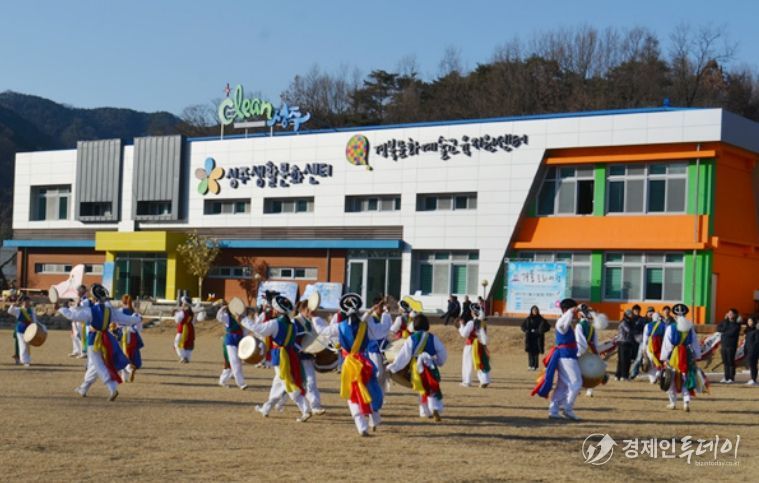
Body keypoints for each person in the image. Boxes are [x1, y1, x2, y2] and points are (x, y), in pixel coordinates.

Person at [57, 284, 142, 401]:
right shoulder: (110, 311)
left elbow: (72, 315)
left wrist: (60, 308)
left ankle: (112, 387)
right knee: (94, 366)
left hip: (94, 340)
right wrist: (137, 319)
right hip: (107, 339)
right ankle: (83, 388)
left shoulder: (90, 311)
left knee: (98, 365)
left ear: (94, 297)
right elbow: (125, 319)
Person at [320, 293, 389, 436]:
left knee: (353, 393)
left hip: (349, 364)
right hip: (364, 362)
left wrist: (315, 319)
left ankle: (362, 426)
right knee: (370, 388)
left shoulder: (339, 327)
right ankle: (374, 416)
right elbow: (382, 331)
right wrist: (386, 315)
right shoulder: (366, 326)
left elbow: (323, 332)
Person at [243, 295, 311, 422]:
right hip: (290, 355)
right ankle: (266, 409)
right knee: (277, 385)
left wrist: (244, 319)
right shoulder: (292, 324)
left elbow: (259, 330)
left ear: (276, 310)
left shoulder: (275, 323)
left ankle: (305, 409)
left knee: (288, 383)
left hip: (280, 357)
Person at [386, 313, 448, 421]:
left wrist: (394, 367)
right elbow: (442, 352)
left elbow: (404, 355)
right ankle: (435, 408)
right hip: (430, 364)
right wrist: (438, 361)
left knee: (421, 387)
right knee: (432, 385)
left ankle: (425, 411)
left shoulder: (412, 338)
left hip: (417, 365)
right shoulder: (433, 337)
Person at [531, 298, 583, 421]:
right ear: (567, 310)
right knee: (576, 383)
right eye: (573, 310)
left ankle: (554, 410)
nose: (575, 313)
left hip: (566, 355)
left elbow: (568, 318)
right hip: (566, 356)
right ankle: (567, 409)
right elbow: (566, 318)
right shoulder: (561, 322)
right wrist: (573, 310)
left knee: (562, 385)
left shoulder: (565, 322)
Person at [660, 304, 705, 411]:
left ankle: (673, 403)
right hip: (686, 355)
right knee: (686, 378)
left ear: (675, 316)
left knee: (671, 378)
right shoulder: (690, 328)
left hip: (673, 356)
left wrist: (664, 358)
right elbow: (695, 343)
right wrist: (696, 356)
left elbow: (667, 344)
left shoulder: (671, 327)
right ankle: (686, 402)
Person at [290, 300, 326, 415]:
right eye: (311, 309)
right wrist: (301, 348)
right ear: (304, 309)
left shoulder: (310, 321)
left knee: (310, 382)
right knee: (289, 385)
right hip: (297, 356)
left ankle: (315, 406)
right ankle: (271, 405)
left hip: (307, 356)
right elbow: (291, 340)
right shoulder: (295, 321)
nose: (313, 312)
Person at [362, 297, 392, 394]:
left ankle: (380, 395)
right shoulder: (370, 318)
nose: (383, 308)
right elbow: (362, 319)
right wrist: (370, 310)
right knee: (378, 372)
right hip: (373, 348)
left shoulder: (384, 317)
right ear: (375, 307)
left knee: (384, 374)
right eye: (381, 306)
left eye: (383, 306)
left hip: (384, 348)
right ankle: (370, 391)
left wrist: (387, 312)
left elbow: (389, 328)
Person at [216, 301, 248, 390]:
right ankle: (241, 383)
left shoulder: (242, 319)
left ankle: (222, 380)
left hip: (239, 342)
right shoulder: (228, 317)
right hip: (230, 341)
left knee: (232, 363)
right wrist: (223, 308)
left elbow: (245, 332)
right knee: (235, 363)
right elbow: (219, 317)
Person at [458, 303, 491, 388]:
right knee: (481, 362)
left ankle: (467, 381)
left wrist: (461, 325)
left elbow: (464, 334)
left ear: (474, 312)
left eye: (471, 311)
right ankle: (484, 380)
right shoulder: (483, 322)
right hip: (480, 344)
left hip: (471, 344)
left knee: (467, 363)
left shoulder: (471, 322)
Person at [575, 305, 600, 397]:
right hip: (591, 350)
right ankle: (590, 390)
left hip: (582, 350)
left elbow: (579, 340)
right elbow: (595, 341)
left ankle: (577, 389)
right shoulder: (592, 327)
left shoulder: (579, 326)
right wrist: (596, 351)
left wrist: (580, 352)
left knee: (577, 370)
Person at [8, 295, 39, 367]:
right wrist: (13, 305)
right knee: (23, 345)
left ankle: (27, 360)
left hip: (29, 331)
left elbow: (34, 320)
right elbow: (10, 311)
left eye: (28, 301)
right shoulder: (19, 310)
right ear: (22, 302)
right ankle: (25, 361)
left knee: (27, 346)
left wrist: (35, 327)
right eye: (26, 301)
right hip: (20, 330)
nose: (27, 303)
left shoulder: (32, 310)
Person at [118, 295, 143, 383]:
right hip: (134, 336)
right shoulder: (134, 312)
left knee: (122, 354)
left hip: (124, 335)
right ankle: (124, 377)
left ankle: (129, 369)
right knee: (130, 354)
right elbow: (139, 328)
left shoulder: (120, 311)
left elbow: (117, 323)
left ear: (122, 301)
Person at [640, 312, 667, 384]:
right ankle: (659, 374)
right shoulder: (664, 325)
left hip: (650, 345)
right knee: (660, 360)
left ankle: (652, 379)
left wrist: (644, 348)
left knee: (651, 361)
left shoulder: (647, 325)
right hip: (661, 344)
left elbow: (645, 338)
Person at [717, 308, 742, 384]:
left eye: (731, 313)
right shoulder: (724, 322)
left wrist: (724, 332)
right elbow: (719, 328)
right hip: (724, 345)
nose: (730, 314)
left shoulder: (736, 324)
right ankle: (726, 377)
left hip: (731, 345)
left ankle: (731, 377)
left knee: (730, 361)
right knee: (725, 362)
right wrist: (725, 321)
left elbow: (731, 333)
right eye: (729, 313)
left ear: (735, 315)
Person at [521, 305, 549, 371]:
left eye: (536, 310)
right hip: (530, 337)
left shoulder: (541, 319)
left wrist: (540, 331)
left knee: (536, 352)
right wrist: (527, 331)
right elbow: (523, 327)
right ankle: (530, 365)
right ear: (531, 311)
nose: (535, 311)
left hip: (538, 338)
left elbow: (547, 327)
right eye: (533, 310)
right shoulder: (528, 319)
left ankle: (535, 366)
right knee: (530, 352)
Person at [173, 296, 196, 363]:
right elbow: (193, 322)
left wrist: (175, 313)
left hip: (182, 329)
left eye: (182, 303)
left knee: (177, 343)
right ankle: (188, 357)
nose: (182, 304)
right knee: (188, 343)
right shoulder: (191, 313)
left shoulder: (182, 312)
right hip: (190, 329)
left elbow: (177, 321)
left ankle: (183, 357)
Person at [615, 310, 637, 381]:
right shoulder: (624, 322)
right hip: (624, 342)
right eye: (630, 314)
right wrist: (635, 329)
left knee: (623, 360)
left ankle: (619, 375)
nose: (632, 316)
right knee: (624, 360)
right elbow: (629, 330)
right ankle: (623, 375)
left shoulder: (627, 322)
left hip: (625, 342)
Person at [68, 284, 88, 358]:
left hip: (81, 321)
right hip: (75, 320)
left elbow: (78, 306)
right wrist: (73, 304)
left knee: (81, 336)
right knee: (74, 336)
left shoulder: (85, 299)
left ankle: (83, 352)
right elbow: (73, 306)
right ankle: (76, 350)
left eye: (79, 290)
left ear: (83, 291)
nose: (77, 292)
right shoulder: (78, 299)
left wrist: (74, 304)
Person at [744, 316, 759, 386]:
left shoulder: (756, 331)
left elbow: (757, 341)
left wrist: (752, 349)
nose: (749, 322)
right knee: (751, 365)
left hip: (754, 351)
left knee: (753, 365)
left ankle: (753, 379)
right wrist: (745, 349)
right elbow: (746, 342)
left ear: (754, 322)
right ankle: (752, 378)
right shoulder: (748, 331)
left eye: (750, 321)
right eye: (748, 321)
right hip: (748, 350)